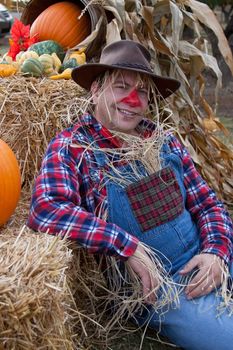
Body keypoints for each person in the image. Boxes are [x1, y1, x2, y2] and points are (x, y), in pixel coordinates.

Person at [27, 40, 233, 349]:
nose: (133, 99)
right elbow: (47, 208)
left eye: (143, 92)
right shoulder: (73, 147)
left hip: (204, 255)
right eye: (121, 86)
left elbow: (207, 204)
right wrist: (126, 245)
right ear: (95, 90)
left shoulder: (162, 140)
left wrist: (216, 251)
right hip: (161, 286)